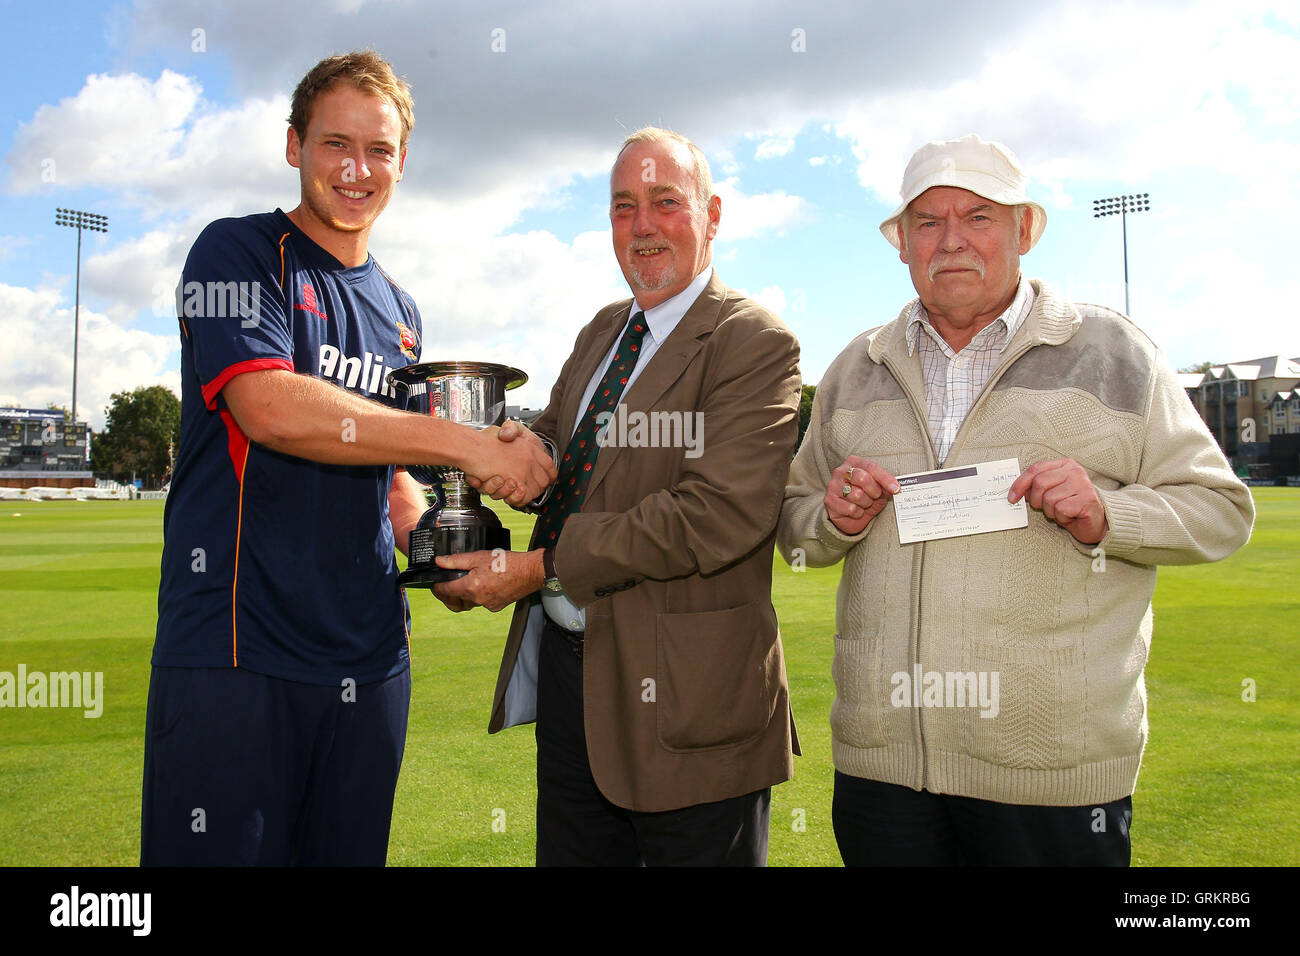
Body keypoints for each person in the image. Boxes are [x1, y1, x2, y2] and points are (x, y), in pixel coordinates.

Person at [777, 133, 1254, 866]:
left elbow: (1220, 510)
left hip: (1052, 780)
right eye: (928, 223)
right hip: (883, 772)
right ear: (901, 243)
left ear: (1023, 231)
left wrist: (1105, 512)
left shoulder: (1115, 353)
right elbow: (796, 524)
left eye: (979, 217)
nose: (952, 242)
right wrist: (829, 518)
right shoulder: (854, 366)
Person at [143, 50, 555, 866]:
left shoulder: (401, 312)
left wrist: (439, 549)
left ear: (403, 163)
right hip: (238, 651)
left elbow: (392, 477)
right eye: (335, 144)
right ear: (294, 146)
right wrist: (468, 445)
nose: (357, 169)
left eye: (379, 150)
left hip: (369, 659)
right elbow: (270, 408)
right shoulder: (236, 254)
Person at [433, 127, 801, 866]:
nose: (642, 226)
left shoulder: (753, 342)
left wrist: (540, 570)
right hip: (577, 683)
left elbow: (714, 515)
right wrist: (478, 449)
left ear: (713, 212)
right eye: (623, 206)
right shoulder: (605, 329)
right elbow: (559, 463)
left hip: (692, 702)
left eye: (666, 202)